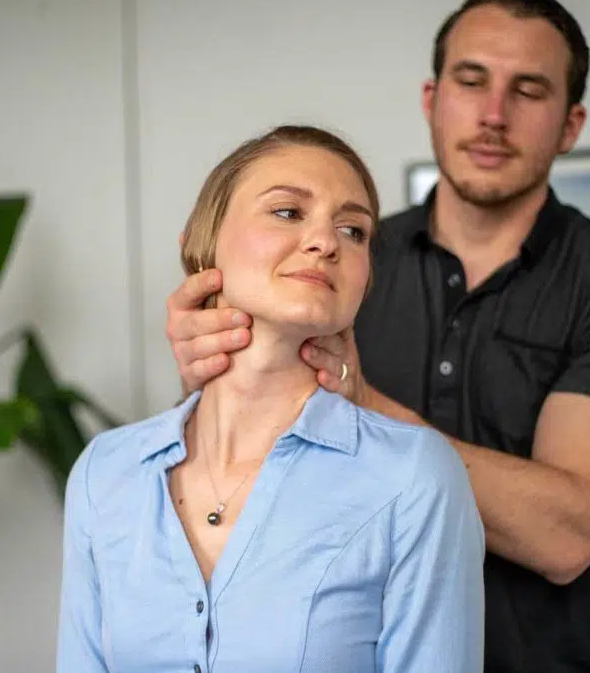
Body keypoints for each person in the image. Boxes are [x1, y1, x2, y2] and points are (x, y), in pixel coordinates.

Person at [164, 0, 590, 672]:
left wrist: (359, 401)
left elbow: (568, 535)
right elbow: (247, 452)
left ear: (571, 124)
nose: (493, 114)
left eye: (528, 90)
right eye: (471, 80)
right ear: (432, 96)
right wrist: (212, 363)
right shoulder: (344, 264)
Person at [56, 124, 485, 673]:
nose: (326, 241)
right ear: (201, 242)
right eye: (288, 212)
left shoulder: (413, 477)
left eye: (353, 230)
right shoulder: (106, 473)